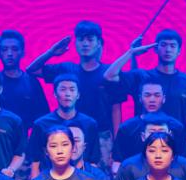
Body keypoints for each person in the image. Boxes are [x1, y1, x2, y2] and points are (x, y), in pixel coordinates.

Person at [28, 21, 122, 166]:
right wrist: (51, 52)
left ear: (98, 43)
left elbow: (116, 109)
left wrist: (116, 144)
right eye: (81, 39)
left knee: (98, 176)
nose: (85, 44)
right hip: (65, 134)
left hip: (100, 136)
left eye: (90, 39)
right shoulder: (66, 69)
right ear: (76, 43)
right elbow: (32, 70)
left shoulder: (108, 73)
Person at [104, 29, 186, 160]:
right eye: (163, 45)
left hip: (176, 147)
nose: (168, 50)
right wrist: (131, 53)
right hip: (142, 146)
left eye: (172, 46)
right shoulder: (142, 76)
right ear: (155, 49)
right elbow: (109, 76)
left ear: (179, 51)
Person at [28, 74, 100, 178]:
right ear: (55, 94)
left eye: (72, 90)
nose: (67, 94)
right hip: (50, 178)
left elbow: (93, 160)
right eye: (63, 89)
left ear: (78, 95)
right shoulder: (41, 124)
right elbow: (35, 161)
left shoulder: (89, 124)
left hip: (82, 178)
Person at [112, 82, 186, 166]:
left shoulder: (176, 127)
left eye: (157, 95)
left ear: (164, 99)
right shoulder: (127, 128)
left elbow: (184, 159)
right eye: (147, 95)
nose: (152, 100)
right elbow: (117, 161)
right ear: (140, 98)